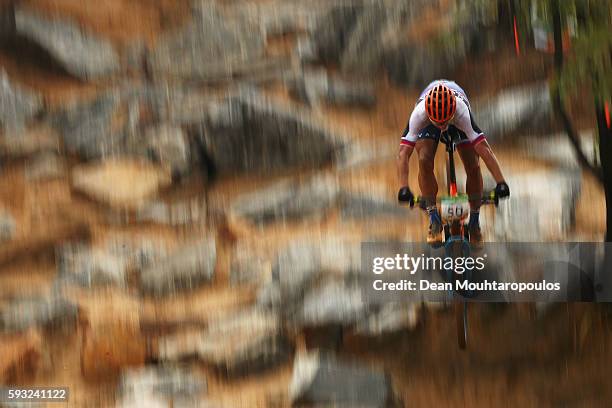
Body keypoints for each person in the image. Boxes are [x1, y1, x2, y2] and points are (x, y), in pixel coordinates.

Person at [396, 80, 510, 246]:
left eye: (444, 122)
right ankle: (434, 219)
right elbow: (403, 154)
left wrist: (501, 182)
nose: (442, 126)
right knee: (424, 160)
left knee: (473, 165)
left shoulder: (461, 111)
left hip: (456, 119)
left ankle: (474, 222)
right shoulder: (419, 114)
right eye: (438, 123)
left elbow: (485, 149)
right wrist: (403, 187)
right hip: (430, 122)